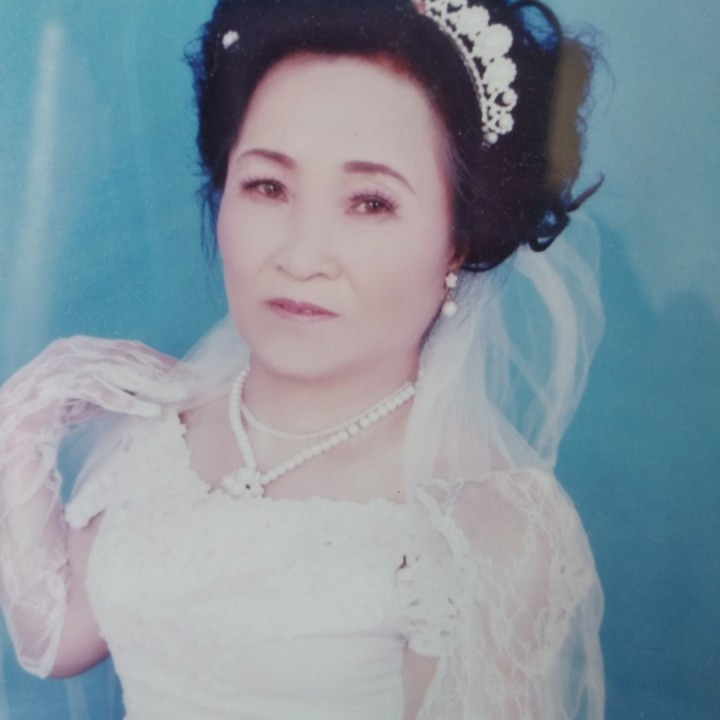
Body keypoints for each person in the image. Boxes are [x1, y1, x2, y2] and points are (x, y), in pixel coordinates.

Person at [0, 0, 605, 718]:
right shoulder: (160, 435)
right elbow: (57, 642)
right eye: (268, 186)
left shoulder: (480, 518)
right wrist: (24, 415)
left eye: (370, 202)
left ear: (457, 241)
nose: (301, 255)